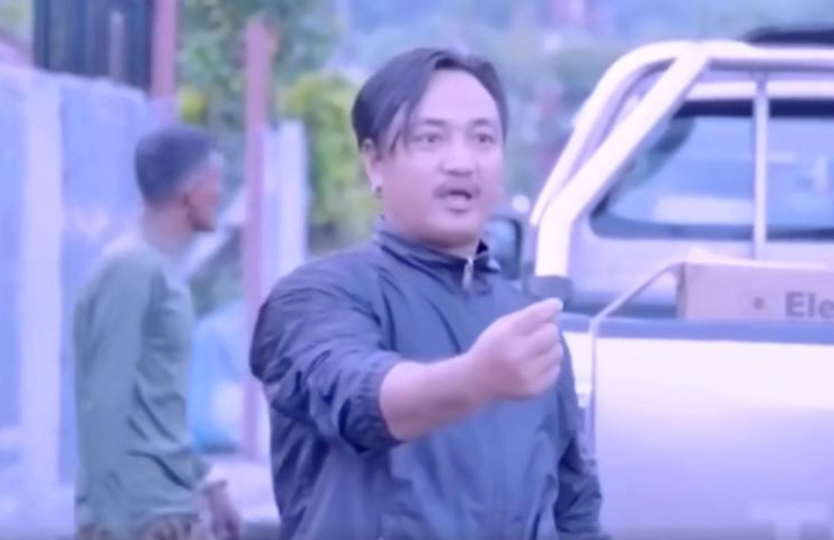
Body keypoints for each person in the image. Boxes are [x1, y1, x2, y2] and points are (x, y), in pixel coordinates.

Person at [250, 48, 605, 539]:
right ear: (375, 163)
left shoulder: (527, 327)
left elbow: (574, 506)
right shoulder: (315, 297)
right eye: (430, 138)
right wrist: (476, 378)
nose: (461, 162)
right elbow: (357, 399)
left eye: (483, 138)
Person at [73, 125, 241, 540]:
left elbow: (156, 406)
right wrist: (109, 522)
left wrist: (208, 481)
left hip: (169, 507)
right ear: (192, 191)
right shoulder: (131, 269)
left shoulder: (157, 269)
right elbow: (104, 401)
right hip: (140, 515)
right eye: (215, 182)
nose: (220, 194)